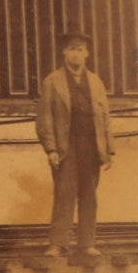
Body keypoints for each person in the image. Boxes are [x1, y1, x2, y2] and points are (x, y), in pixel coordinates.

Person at [36, 32, 115, 258]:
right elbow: (45, 119)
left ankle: (87, 243)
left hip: (91, 146)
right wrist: (51, 149)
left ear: (87, 54)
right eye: (71, 49)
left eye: (80, 49)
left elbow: (105, 117)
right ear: (63, 52)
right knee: (64, 193)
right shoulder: (52, 82)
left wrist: (109, 149)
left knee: (89, 194)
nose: (75, 53)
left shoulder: (96, 82)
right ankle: (57, 244)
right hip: (65, 146)